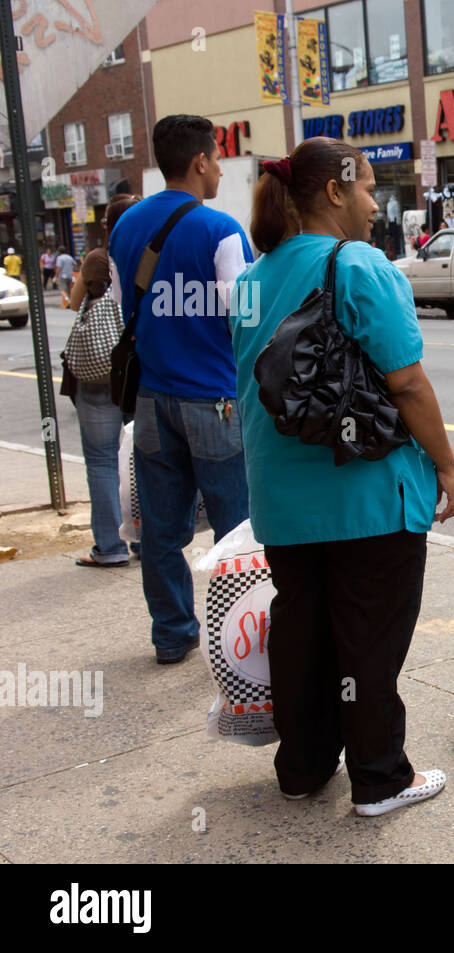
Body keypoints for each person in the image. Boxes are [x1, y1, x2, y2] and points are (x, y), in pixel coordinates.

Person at [231, 137, 454, 816]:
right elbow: (408, 383)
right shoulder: (359, 265)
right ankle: (381, 778)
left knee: (302, 636)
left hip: (282, 505)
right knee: (369, 638)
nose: (374, 204)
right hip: (366, 499)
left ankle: (302, 768)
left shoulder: (250, 280)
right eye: (366, 188)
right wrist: (446, 466)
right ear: (334, 191)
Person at [108, 115, 254, 665]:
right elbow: (247, 319)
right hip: (214, 400)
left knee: (161, 532)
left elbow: (127, 308)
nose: (219, 169)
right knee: (236, 530)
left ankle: (172, 633)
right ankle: (238, 640)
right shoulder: (220, 230)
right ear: (199, 162)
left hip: (151, 402)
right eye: (216, 158)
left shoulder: (124, 227)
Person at [65, 195, 140, 568]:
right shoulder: (149, 254)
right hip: (136, 371)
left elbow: (74, 302)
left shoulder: (97, 258)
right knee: (141, 459)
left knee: (101, 461)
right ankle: (144, 539)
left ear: (108, 225)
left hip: (97, 374)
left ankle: (110, 547)